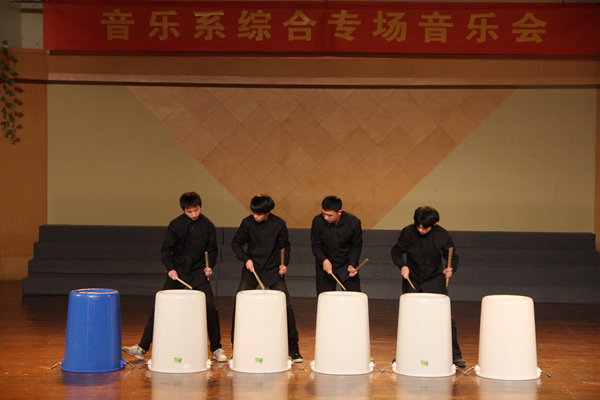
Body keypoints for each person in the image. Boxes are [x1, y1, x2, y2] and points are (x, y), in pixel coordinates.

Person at [123, 192, 226, 363]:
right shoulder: (176, 225)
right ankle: (142, 348)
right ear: (183, 210)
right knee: (160, 308)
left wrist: (210, 267)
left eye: (196, 210)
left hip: (198, 273)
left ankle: (216, 348)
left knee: (210, 308)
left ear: (200, 207)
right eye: (189, 212)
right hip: (177, 273)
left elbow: (213, 251)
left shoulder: (208, 226)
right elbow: (166, 250)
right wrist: (170, 269)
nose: (194, 214)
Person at [390, 206, 466, 368]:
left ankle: (455, 355)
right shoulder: (408, 232)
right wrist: (402, 266)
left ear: (434, 224)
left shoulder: (443, 235)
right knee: (409, 319)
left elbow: (452, 256)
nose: (420, 230)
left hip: (435, 281)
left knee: (446, 319)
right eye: (418, 226)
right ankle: (404, 354)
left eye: (424, 227)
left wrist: (451, 268)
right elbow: (396, 251)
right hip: (412, 280)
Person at [230, 194, 302, 362]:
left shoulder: (279, 224)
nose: (255, 216)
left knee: (286, 306)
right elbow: (236, 243)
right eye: (253, 212)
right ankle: (236, 348)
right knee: (239, 305)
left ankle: (293, 349)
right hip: (252, 269)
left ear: (268, 212)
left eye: (259, 214)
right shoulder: (247, 223)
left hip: (272, 270)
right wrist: (246, 259)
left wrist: (284, 264)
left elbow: (285, 247)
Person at [311, 195, 363, 295]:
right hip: (325, 266)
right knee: (325, 299)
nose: (325, 217)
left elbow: (356, 246)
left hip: (346, 264)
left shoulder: (353, 222)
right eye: (323, 213)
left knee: (353, 298)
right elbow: (316, 245)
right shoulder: (317, 221)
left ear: (339, 212)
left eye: (329, 215)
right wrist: (324, 260)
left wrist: (352, 264)